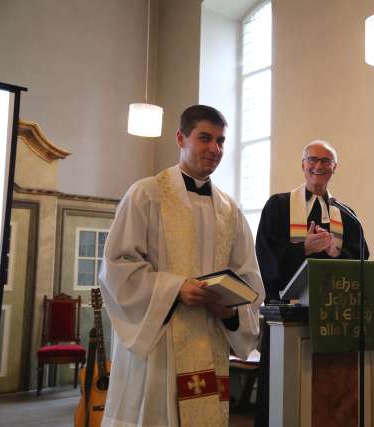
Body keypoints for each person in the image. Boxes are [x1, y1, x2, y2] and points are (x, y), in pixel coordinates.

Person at [99, 105, 265, 427]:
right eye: (205, 138)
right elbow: (117, 266)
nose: (214, 149)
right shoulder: (146, 194)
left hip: (211, 337)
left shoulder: (230, 209)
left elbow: (249, 280)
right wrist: (176, 289)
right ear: (181, 138)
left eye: (220, 141)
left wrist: (231, 314)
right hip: (160, 342)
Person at [254, 140, 369, 425]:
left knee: (327, 391)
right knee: (282, 389)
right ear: (303, 165)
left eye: (326, 161)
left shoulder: (345, 213)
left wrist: (335, 252)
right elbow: (265, 254)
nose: (319, 166)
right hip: (286, 313)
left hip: (331, 315)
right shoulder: (279, 206)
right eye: (313, 160)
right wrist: (303, 248)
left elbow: (362, 261)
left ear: (334, 168)